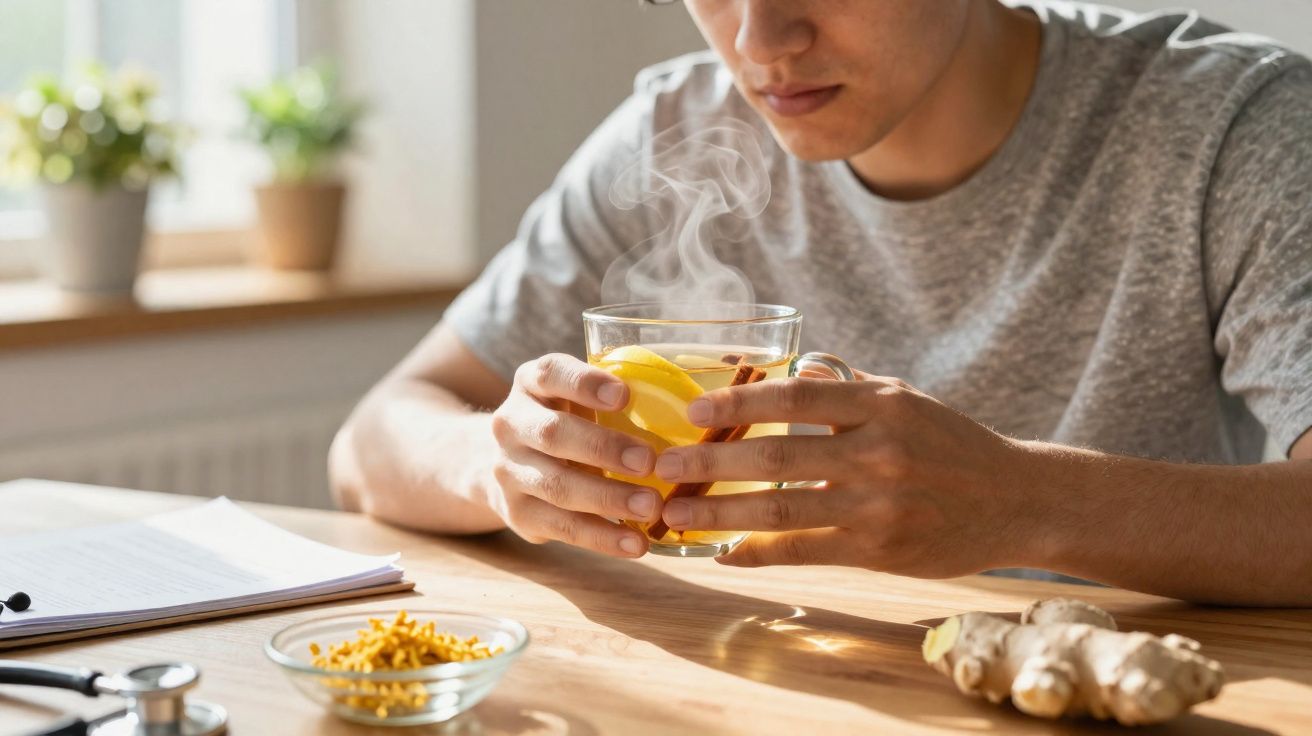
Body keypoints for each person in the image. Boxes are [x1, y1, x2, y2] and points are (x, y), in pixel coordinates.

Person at [330, 0, 1312, 606]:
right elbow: (372, 439)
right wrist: (494, 464)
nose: (761, 42)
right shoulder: (674, 130)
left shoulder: (1232, 126)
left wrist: (1024, 502)